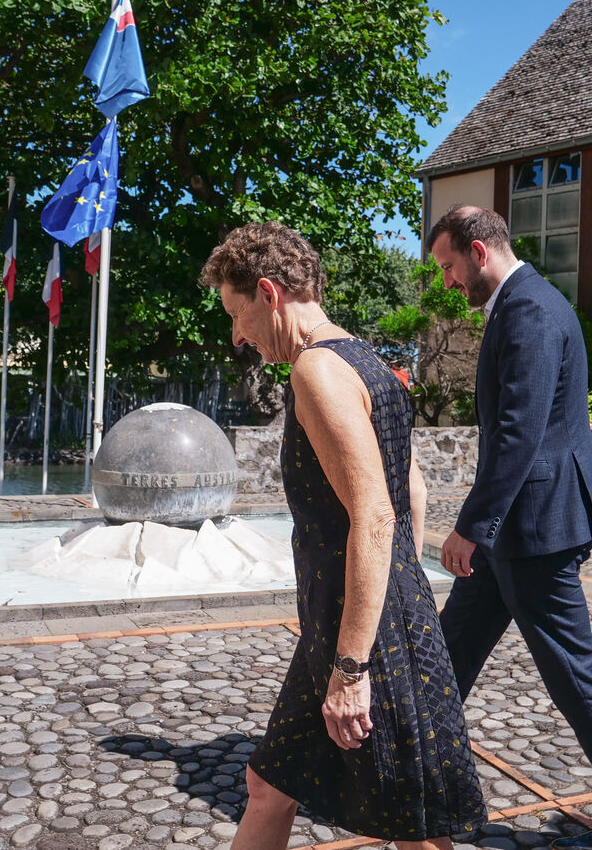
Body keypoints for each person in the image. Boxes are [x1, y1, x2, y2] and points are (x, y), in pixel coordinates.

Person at [199, 222, 486, 850]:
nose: (237, 335)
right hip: (363, 612)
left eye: (237, 314)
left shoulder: (317, 371)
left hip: (362, 630)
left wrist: (354, 667)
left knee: (411, 821)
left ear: (269, 293)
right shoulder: (368, 360)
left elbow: (375, 515)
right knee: (269, 784)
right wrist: (400, 592)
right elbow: (411, 490)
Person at [428, 205, 592, 850]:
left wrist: (471, 527)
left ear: (478, 252)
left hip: (536, 531)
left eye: (449, 266)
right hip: (520, 526)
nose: (447, 281)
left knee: (573, 675)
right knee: (450, 652)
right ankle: (409, 780)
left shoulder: (528, 309)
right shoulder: (525, 301)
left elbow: (519, 431)